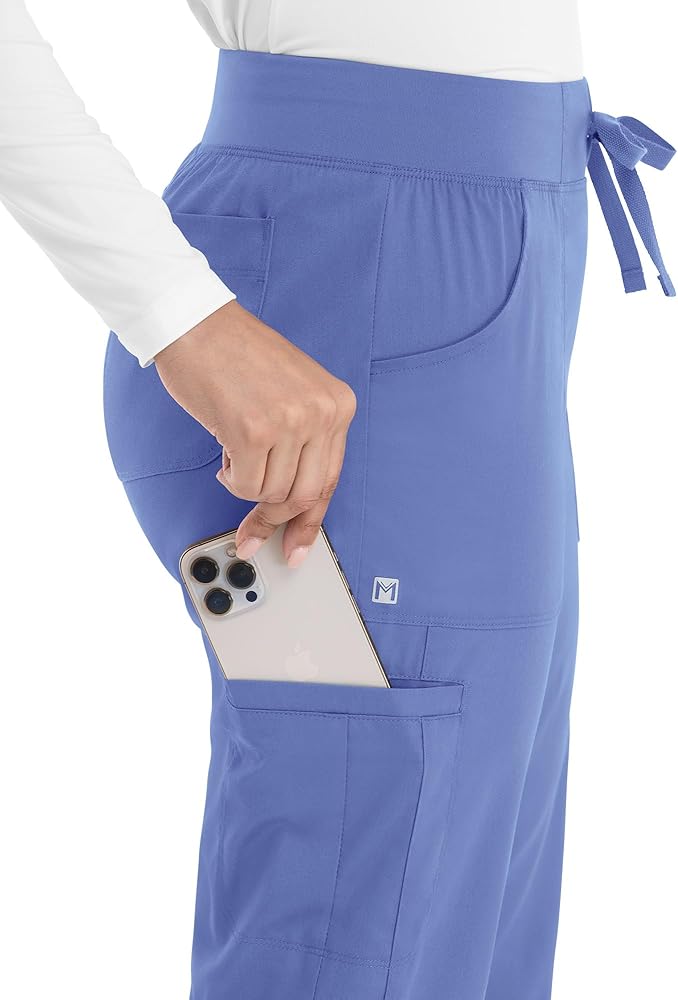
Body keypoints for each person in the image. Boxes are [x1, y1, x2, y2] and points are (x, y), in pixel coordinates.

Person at [1, 3, 674, 998]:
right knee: (366, 915)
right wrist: (177, 314)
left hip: (502, 284)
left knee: (463, 933)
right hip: (334, 308)